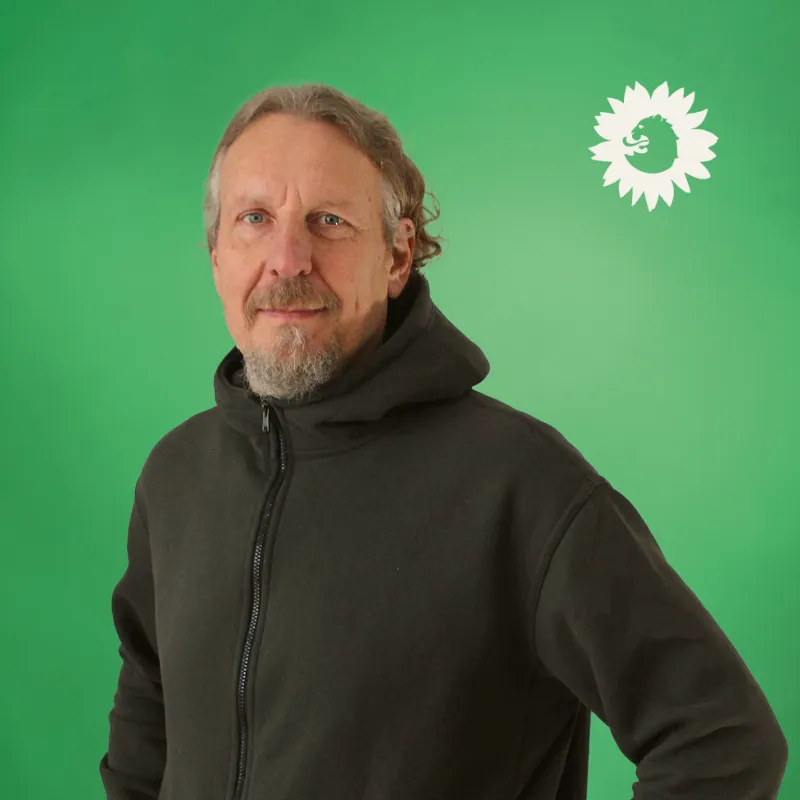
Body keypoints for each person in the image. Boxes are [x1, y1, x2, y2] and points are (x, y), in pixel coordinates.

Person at [98, 83, 788, 800]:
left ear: (398, 257)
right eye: (254, 219)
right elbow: (148, 716)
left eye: (329, 221)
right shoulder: (175, 476)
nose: (288, 258)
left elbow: (721, 740)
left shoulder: (520, 486)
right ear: (216, 254)